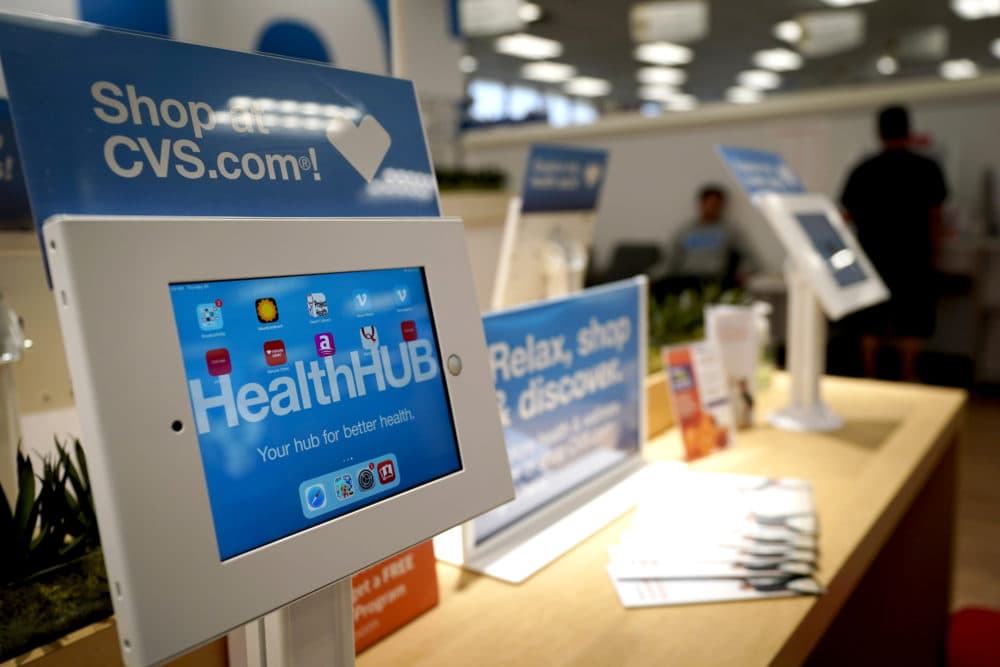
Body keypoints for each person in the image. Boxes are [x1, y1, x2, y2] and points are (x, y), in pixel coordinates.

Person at [840, 105, 948, 382]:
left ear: (878, 132)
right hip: (915, 257)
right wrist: (935, 255)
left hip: (872, 256)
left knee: (870, 321)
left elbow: (845, 216)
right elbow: (935, 217)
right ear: (908, 130)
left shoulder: (863, 170)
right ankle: (908, 375)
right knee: (912, 320)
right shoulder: (927, 168)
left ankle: (870, 374)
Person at [666, 185, 758, 289]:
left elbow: (749, 256)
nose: (711, 208)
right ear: (701, 203)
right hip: (686, 278)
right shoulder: (686, 230)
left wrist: (743, 272)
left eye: (715, 205)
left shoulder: (729, 230)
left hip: (715, 278)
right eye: (708, 204)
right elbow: (670, 260)